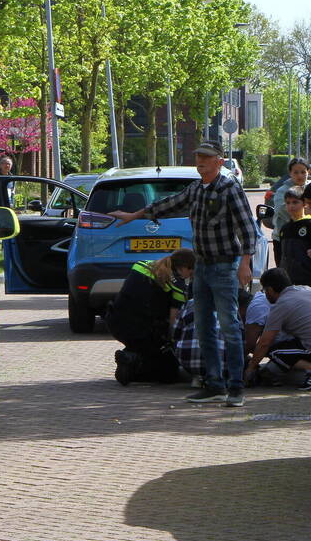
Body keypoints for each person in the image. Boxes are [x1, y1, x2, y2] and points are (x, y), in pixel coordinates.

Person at [109, 139, 258, 408]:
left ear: (219, 161)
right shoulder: (196, 189)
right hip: (201, 266)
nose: (200, 161)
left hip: (224, 266)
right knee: (203, 326)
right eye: (198, 156)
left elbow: (247, 228)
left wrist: (245, 263)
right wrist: (134, 216)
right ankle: (214, 384)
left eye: (206, 157)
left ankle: (236, 387)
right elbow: (170, 204)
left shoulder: (229, 188)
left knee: (229, 326)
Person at [108, 249, 195, 385]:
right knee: (169, 373)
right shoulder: (177, 285)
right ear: (184, 267)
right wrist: (173, 343)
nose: (189, 276)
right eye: (191, 272)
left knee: (145, 347)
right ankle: (133, 363)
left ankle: (130, 355)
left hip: (115, 321)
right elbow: (174, 322)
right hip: (142, 330)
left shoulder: (142, 265)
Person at [244, 268, 311, 391]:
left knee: (274, 351)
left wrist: (251, 368)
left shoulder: (280, 305)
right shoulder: (306, 289)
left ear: (270, 289)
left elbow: (264, 343)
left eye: (265, 290)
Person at [271, 157, 310, 265]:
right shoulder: (281, 191)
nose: (300, 175)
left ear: (308, 172)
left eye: (303, 172)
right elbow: (283, 210)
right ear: (290, 173)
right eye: (296, 172)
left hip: (308, 238)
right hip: (282, 239)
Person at [277, 186, 311, 287]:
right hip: (288, 279)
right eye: (288, 203)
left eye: (295, 202)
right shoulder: (285, 228)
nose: (291, 206)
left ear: (304, 203)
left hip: (307, 279)